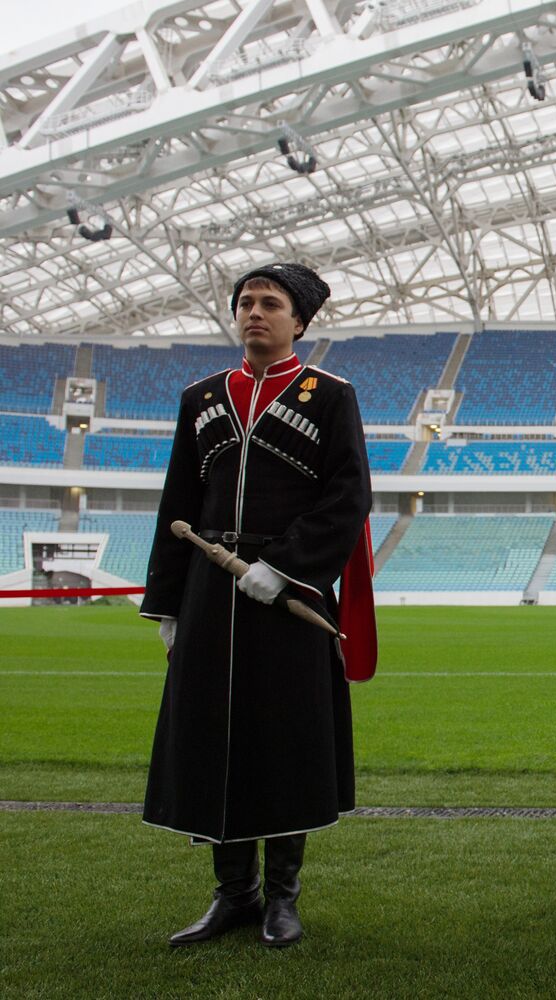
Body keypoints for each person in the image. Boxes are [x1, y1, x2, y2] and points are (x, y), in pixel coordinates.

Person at [140, 262, 377, 948]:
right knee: (213, 738)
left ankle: (281, 898)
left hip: (286, 595)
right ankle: (232, 895)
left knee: (285, 742)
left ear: (298, 321)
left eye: (269, 303)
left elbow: (347, 498)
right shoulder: (201, 396)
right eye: (245, 302)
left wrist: (285, 566)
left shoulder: (330, 396)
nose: (254, 313)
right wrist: (169, 605)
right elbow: (178, 504)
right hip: (211, 595)